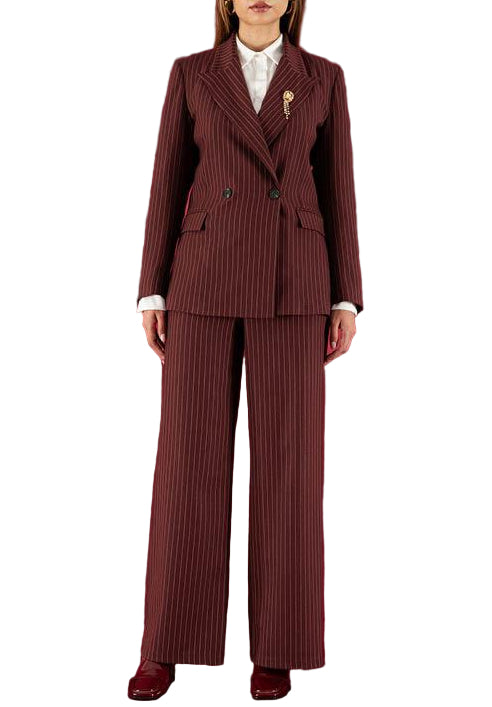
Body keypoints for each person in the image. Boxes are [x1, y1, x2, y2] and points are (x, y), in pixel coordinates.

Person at [128, 0, 363, 700]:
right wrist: (152, 289)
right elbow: (167, 180)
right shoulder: (191, 74)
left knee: (291, 471)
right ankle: (165, 643)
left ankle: (279, 647)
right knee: (187, 467)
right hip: (202, 281)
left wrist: (346, 297)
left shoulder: (323, 77)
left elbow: (339, 188)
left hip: (295, 284)